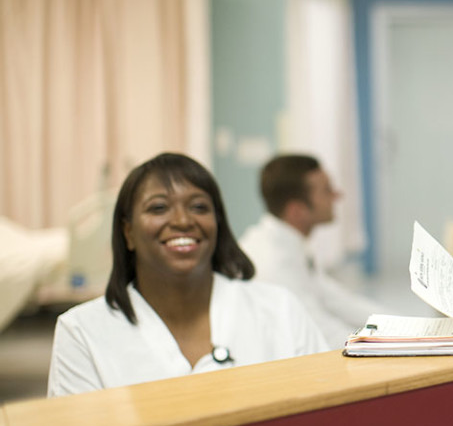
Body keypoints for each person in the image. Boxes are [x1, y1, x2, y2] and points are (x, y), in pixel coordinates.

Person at [48, 153, 327, 397]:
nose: (183, 221)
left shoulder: (279, 310)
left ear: (217, 224)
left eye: (199, 207)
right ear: (128, 232)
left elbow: (325, 411)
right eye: (159, 208)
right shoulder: (82, 333)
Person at [240, 154, 382, 349]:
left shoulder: (288, 244)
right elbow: (321, 333)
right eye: (327, 190)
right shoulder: (275, 262)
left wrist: (403, 326)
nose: (337, 195)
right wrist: (388, 345)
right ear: (297, 211)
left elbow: (336, 299)